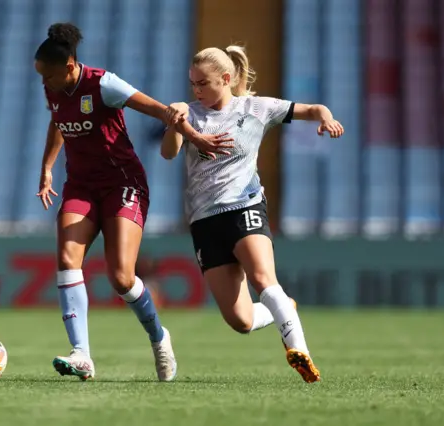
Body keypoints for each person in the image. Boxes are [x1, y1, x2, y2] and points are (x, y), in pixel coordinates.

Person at [34, 23, 231, 382]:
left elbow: (161, 112)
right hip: (80, 186)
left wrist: (196, 138)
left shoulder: (104, 84)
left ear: (69, 66)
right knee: (66, 259)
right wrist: (47, 169)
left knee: (122, 277)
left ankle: (159, 337)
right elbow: (58, 123)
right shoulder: (55, 90)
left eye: (47, 75)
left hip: (122, 183)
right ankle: (82, 354)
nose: (43, 82)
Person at [161, 45, 344, 383]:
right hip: (204, 221)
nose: (196, 90)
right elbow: (168, 153)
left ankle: (299, 350)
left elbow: (314, 108)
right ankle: (283, 306)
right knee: (240, 321)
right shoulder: (190, 113)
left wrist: (326, 118)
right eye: (192, 83)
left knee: (263, 279)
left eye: (202, 83)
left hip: (245, 206)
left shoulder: (258, 108)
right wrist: (175, 123)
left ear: (226, 79)